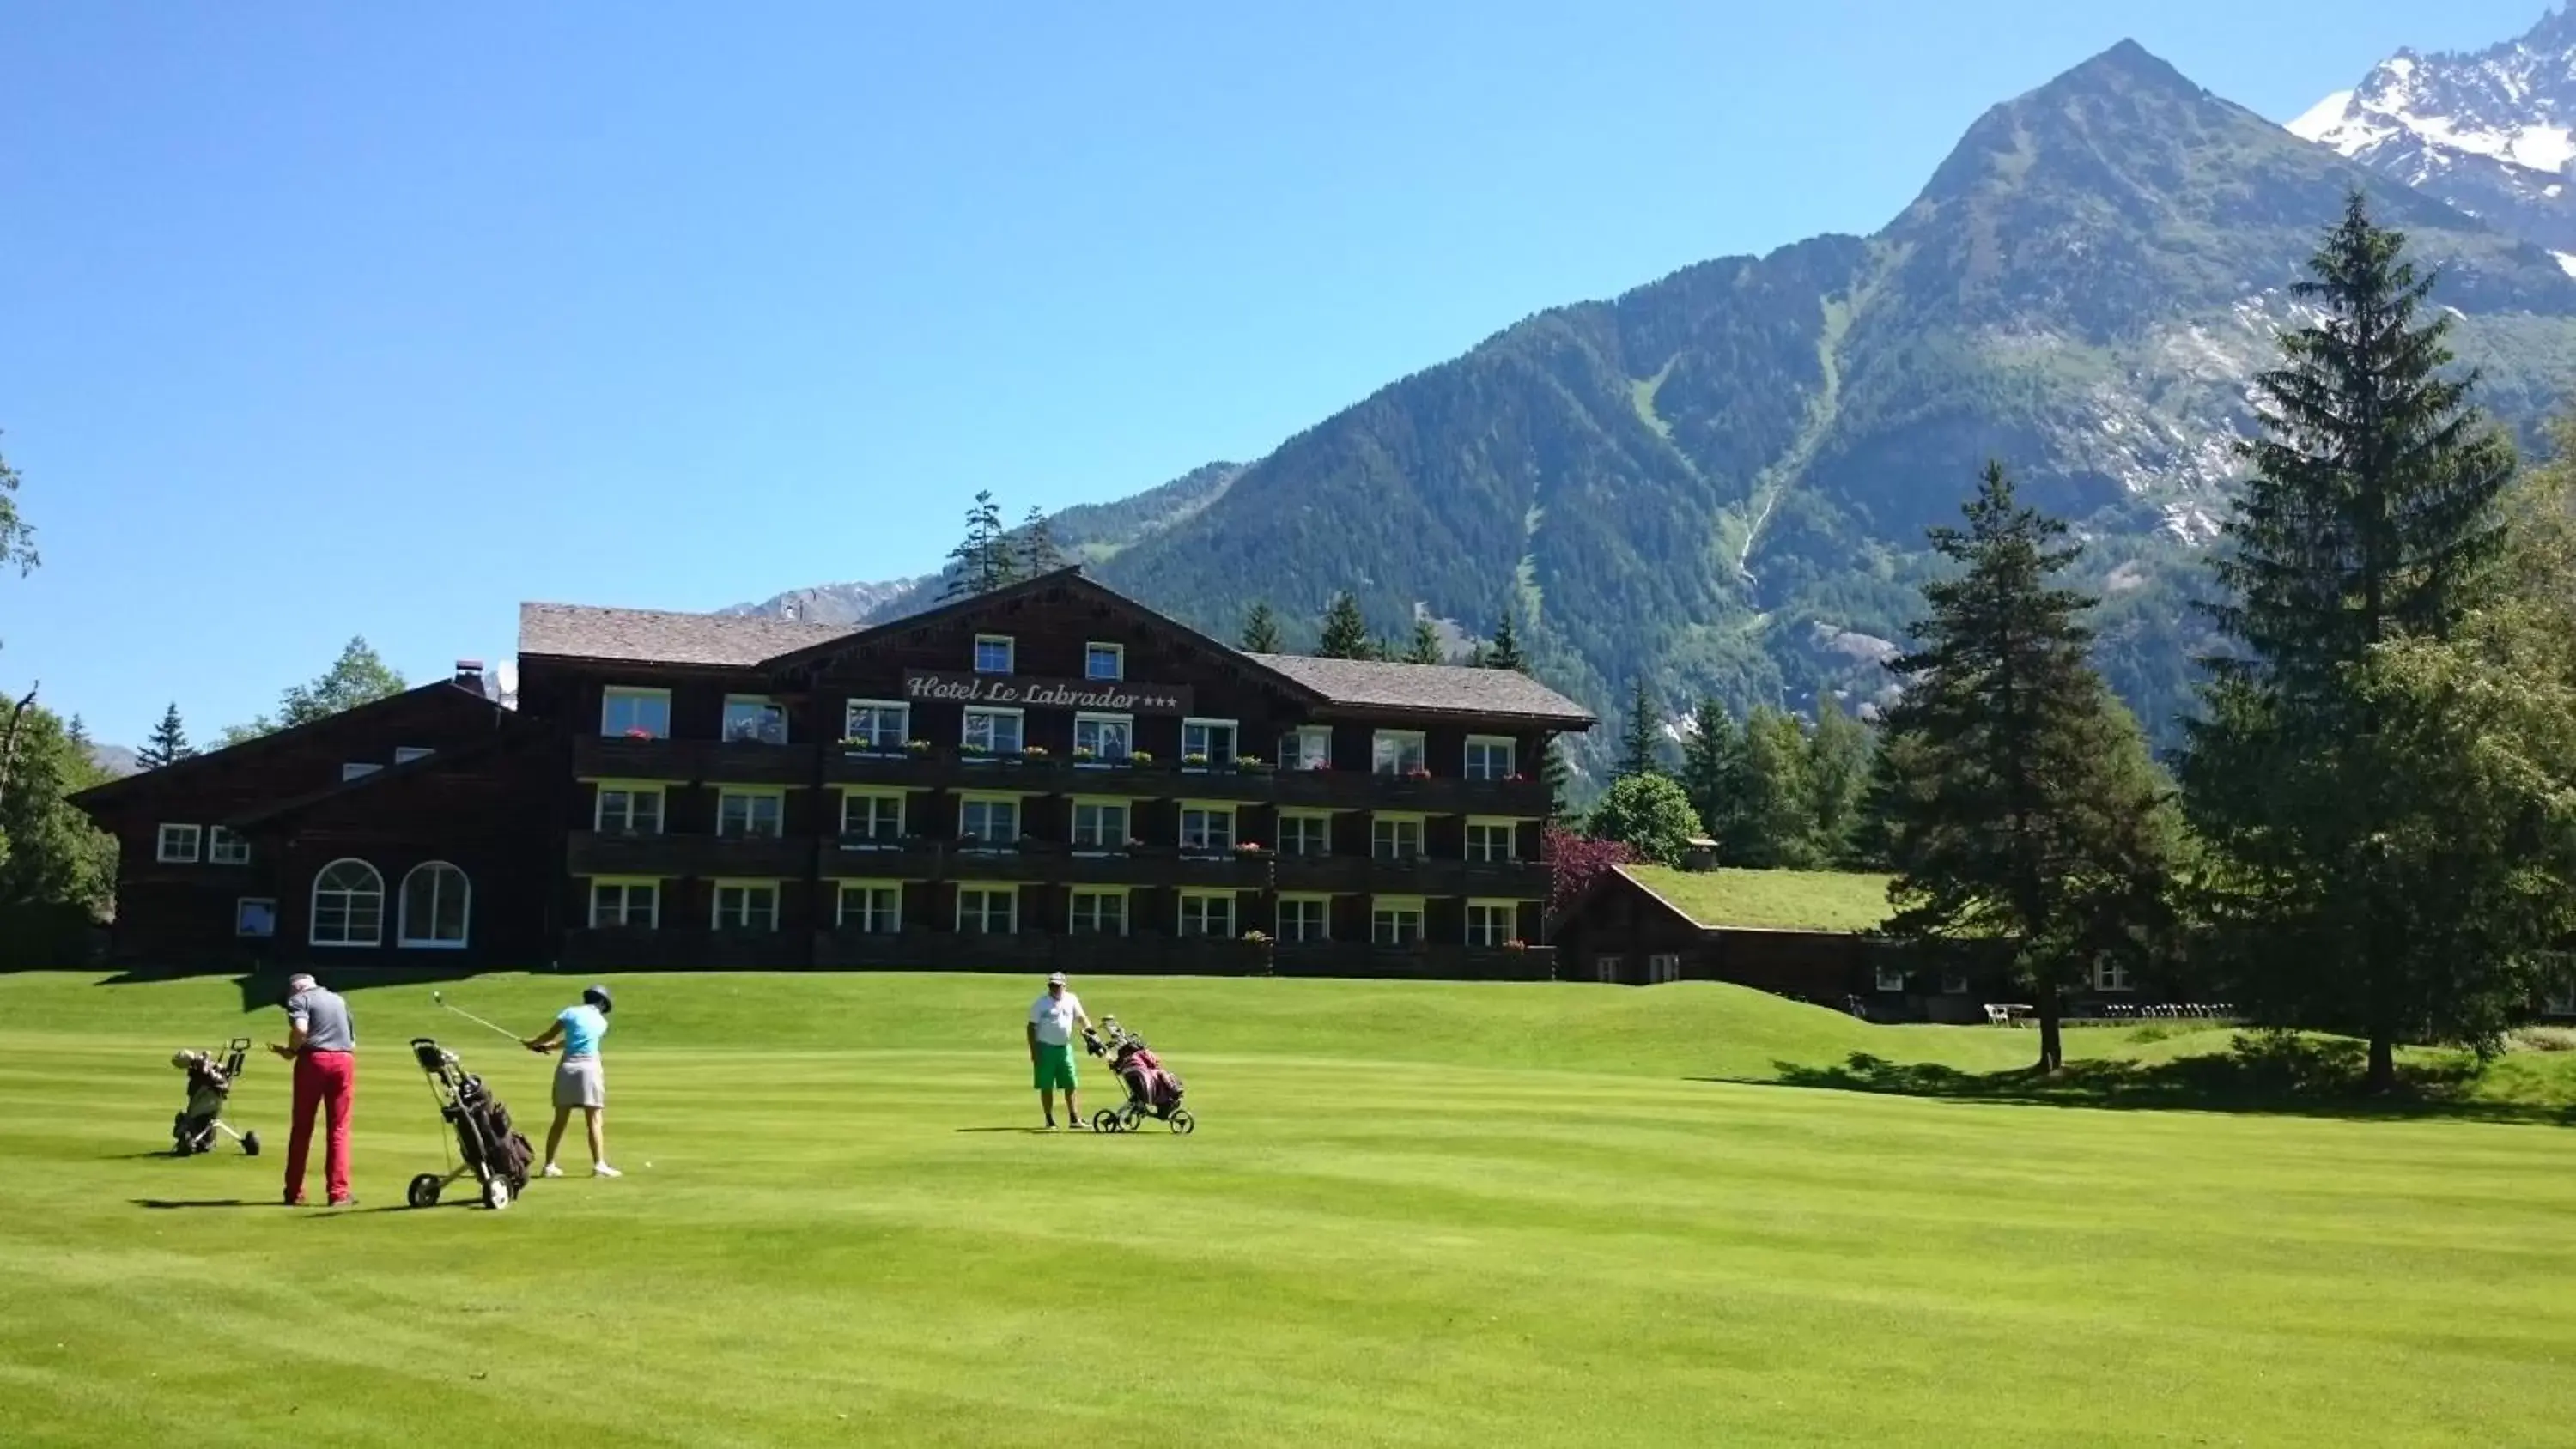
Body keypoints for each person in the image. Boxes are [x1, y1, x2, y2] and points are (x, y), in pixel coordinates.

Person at [270, 972, 357, 1207]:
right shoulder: (339, 1000)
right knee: (338, 1129)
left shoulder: (300, 1000)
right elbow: (352, 1039)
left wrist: (290, 1050)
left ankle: (295, 1192)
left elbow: (300, 1029)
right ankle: (338, 1193)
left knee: (302, 1128)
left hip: (314, 1062)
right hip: (344, 1061)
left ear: (297, 989)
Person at [522, 984, 621, 1178]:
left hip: (567, 1068)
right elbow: (581, 1039)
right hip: (589, 1069)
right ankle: (599, 1164)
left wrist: (534, 1043)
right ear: (601, 1002)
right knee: (594, 1119)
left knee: (560, 1120)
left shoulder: (570, 1012)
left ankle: (549, 1165)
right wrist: (544, 1044)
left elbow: (557, 1035)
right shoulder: (602, 1023)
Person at [1026, 971, 1093, 1129]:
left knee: (1071, 1083)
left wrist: (1090, 1031)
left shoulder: (1071, 999)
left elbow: (1081, 1017)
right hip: (1045, 1048)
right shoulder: (1041, 1003)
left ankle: (1074, 1119)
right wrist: (1034, 1050)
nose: (1054, 988)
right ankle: (1049, 1119)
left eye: (1057, 985)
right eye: (1051, 985)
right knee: (1046, 1085)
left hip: (1064, 1048)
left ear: (1064, 985)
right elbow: (1031, 1027)